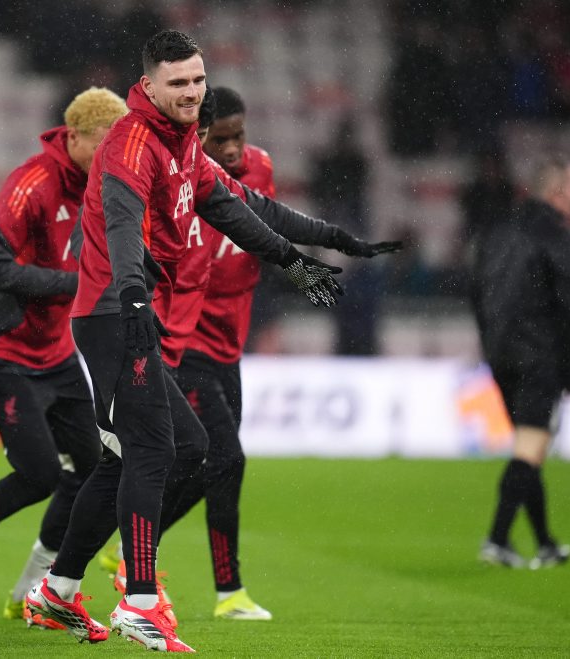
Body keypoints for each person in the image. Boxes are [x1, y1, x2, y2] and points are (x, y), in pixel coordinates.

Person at [25, 30, 343, 653]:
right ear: (148, 86)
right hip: (116, 313)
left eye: (198, 79)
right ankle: (139, 602)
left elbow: (230, 211)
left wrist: (295, 262)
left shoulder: (183, 143)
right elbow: (122, 223)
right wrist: (134, 297)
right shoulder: (132, 144)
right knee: (156, 448)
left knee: (166, 449)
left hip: (124, 311)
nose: (193, 91)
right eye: (179, 82)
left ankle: (57, 591)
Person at [160, 86, 402, 620]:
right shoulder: (184, 180)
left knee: (213, 467)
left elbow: (264, 235)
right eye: (220, 139)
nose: (232, 148)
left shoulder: (260, 169)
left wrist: (302, 269)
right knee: (225, 458)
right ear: (200, 136)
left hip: (230, 343)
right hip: (185, 341)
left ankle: (139, 549)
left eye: (239, 136)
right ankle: (214, 586)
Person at [0, 88, 128, 623]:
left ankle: (29, 592)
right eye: (104, 146)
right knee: (40, 473)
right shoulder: (33, 183)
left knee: (94, 468)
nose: (112, 158)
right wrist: (72, 285)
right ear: (75, 137)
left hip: (54, 350)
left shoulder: (105, 186)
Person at [471, 155, 570, 569]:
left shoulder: (498, 232)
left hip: (501, 354)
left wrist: (491, 344)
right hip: (541, 357)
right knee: (530, 447)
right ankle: (497, 539)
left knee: (530, 446)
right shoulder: (558, 239)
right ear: (557, 192)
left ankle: (545, 543)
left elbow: (476, 290)